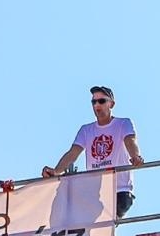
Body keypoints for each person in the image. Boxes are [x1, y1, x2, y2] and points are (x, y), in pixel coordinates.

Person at [41, 86, 145, 217]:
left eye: (101, 101)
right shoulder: (86, 130)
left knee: (102, 224)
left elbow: (130, 141)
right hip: (95, 191)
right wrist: (56, 171)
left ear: (111, 104)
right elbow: (73, 153)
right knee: (97, 228)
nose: (97, 105)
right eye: (93, 102)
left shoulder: (123, 123)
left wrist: (135, 156)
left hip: (119, 190)